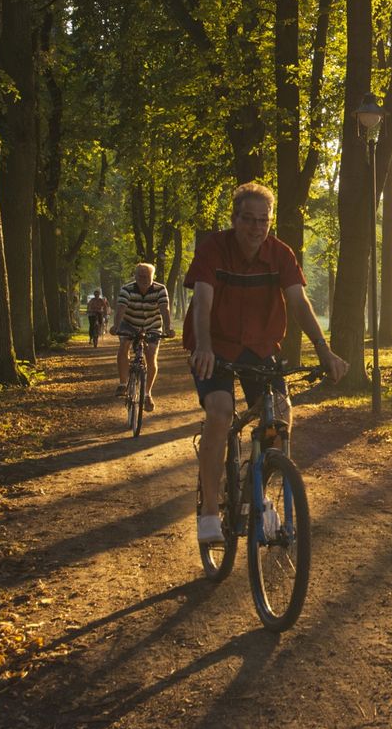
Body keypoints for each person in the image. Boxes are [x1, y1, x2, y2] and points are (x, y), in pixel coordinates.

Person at [185, 182, 348, 545]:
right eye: (248, 219)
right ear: (234, 218)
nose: (257, 228)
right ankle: (210, 511)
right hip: (215, 344)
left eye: (264, 220)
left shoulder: (280, 254)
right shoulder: (214, 248)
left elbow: (299, 303)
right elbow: (202, 302)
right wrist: (206, 347)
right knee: (220, 411)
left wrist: (324, 351)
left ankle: (257, 486)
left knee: (279, 416)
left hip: (259, 347)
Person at [110, 264, 172, 409]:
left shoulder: (160, 289)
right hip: (129, 323)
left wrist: (168, 327)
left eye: (147, 277)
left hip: (152, 325)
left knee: (151, 355)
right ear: (135, 277)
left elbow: (164, 309)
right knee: (124, 344)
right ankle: (123, 384)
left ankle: (147, 394)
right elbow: (121, 308)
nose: (143, 279)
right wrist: (116, 326)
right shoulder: (127, 289)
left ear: (153, 277)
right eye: (140, 276)